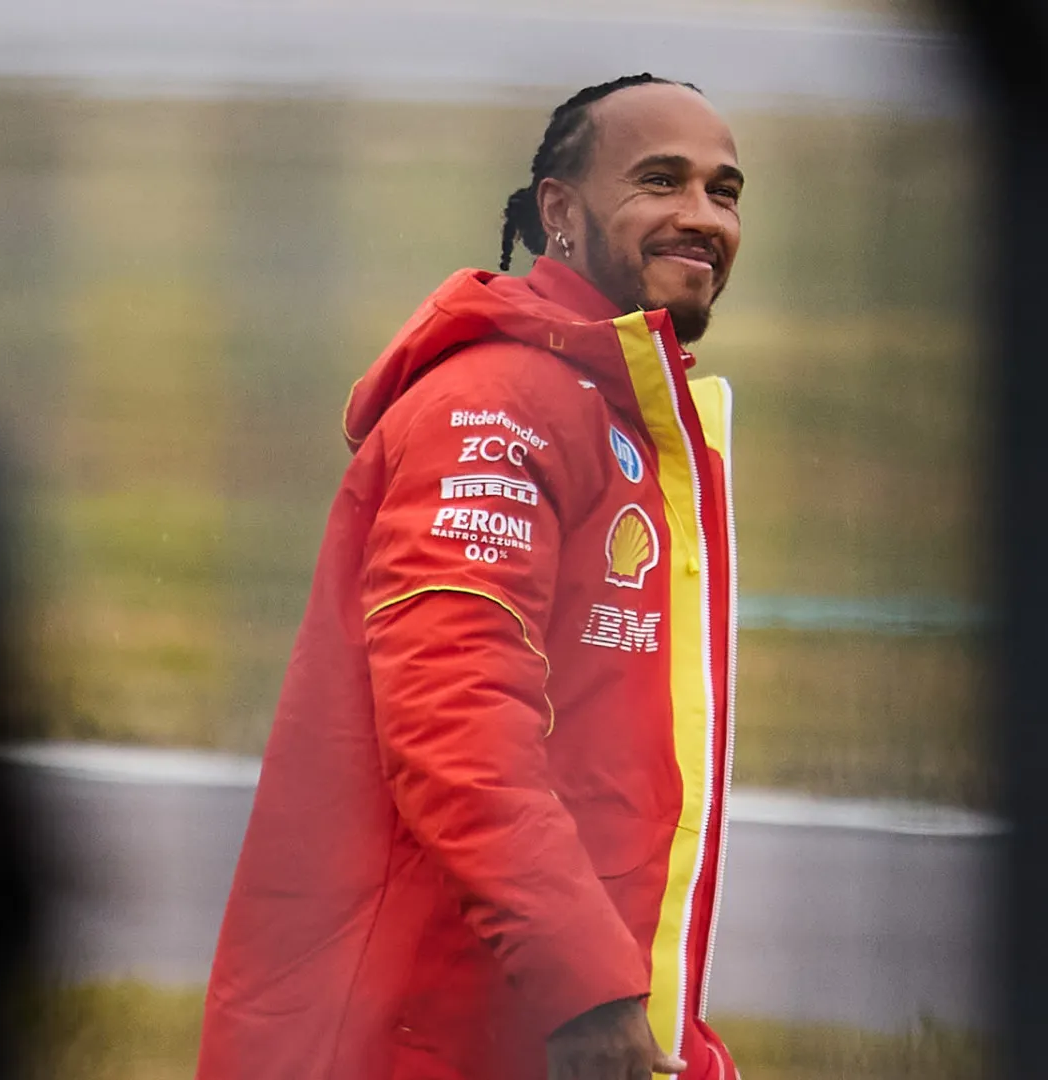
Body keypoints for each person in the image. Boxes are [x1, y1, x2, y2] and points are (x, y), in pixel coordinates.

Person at [196, 74, 743, 1080]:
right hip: (416, 1033)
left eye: (724, 190)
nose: (702, 216)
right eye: (660, 181)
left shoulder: (620, 412)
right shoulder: (498, 403)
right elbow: (455, 718)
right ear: (559, 210)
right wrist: (586, 985)